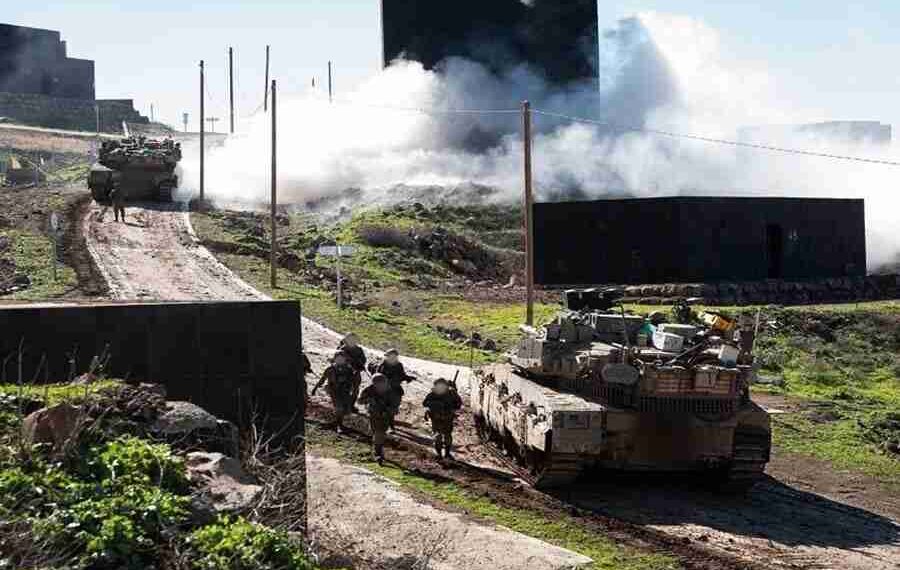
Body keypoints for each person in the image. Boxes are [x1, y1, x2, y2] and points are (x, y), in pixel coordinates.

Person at [311, 351, 359, 433]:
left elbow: (354, 382)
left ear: (345, 359)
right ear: (335, 359)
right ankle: (338, 425)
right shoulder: (330, 369)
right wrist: (315, 388)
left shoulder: (349, 370)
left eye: (342, 358)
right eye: (338, 358)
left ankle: (338, 422)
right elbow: (323, 379)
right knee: (339, 407)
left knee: (344, 408)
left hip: (345, 391)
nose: (340, 360)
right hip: (334, 391)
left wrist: (354, 391)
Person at [357, 373, 399, 465]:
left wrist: (387, 410)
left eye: (382, 383)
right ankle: (377, 448)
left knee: (380, 433)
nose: (381, 386)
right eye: (378, 384)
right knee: (375, 432)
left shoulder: (391, 392)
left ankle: (378, 452)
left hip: (384, 416)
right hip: (373, 414)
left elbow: (395, 408)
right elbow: (359, 401)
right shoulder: (369, 390)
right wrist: (369, 400)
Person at [368, 348, 414, 430]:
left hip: (395, 389)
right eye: (390, 356)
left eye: (394, 356)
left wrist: (408, 378)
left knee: (393, 408)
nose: (392, 358)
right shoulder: (382, 366)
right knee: (383, 407)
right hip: (384, 390)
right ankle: (382, 425)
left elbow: (402, 375)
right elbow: (377, 378)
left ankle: (391, 426)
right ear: (387, 357)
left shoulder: (399, 365)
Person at [422, 378, 463, 461]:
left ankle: (446, 454)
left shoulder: (451, 393)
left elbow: (458, 404)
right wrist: (437, 404)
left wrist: (451, 405)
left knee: (446, 436)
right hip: (437, 419)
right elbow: (425, 403)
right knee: (438, 437)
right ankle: (440, 455)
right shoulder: (433, 394)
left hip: (447, 418)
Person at [338, 333, 366, 409]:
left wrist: (360, 366)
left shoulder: (359, 350)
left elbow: (363, 360)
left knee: (355, 390)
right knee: (344, 388)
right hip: (345, 372)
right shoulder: (342, 349)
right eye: (350, 340)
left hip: (355, 372)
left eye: (353, 340)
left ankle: (351, 405)